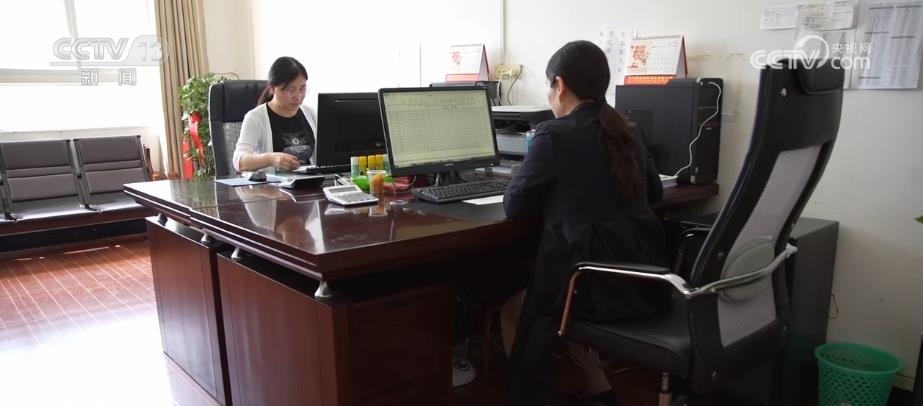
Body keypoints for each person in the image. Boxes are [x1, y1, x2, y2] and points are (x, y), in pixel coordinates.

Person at [502, 40, 669, 405]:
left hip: (590, 286)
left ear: (559, 85)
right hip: (642, 281)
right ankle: (599, 391)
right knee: (565, 289)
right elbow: (655, 194)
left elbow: (514, 206)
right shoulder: (629, 131)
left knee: (512, 307)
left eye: (548, 87)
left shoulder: (553, 135)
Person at [234, 56, 317, 173]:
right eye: (291, 90)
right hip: (274, 184)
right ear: (273, 88)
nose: (298, 96)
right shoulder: (255, 117)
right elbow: (240, 161)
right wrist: (271, 159)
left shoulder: (310, 113)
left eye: (302, 89)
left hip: (311, 182)